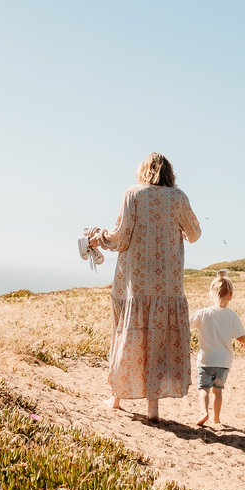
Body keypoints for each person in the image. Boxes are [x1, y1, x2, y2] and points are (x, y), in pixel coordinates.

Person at [95, 152, 201, 421]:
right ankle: (153, 408)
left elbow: (121, 237)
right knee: (158, 339)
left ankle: (116, 397)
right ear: (169, 173)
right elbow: (195, 234)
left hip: (134, 281)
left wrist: (101, 237)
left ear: (144, 170)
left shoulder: (133, 193)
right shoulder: (178, 197)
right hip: (168, 284)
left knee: (128, 334)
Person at [189, 273, 245, 427]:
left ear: (211, 294)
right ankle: (216, 418)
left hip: (206, 360)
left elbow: (187, 324)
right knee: (218, 391)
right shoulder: (232, 315)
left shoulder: (203, 313)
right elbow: (241, 337)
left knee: (203, 389)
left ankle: (204, 413)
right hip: (224, 362)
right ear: (231, 296)